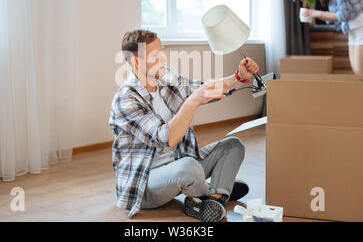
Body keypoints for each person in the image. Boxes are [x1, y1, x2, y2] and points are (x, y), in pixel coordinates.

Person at [109, 30, 260, 222]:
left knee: (233, 145)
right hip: (144, 186)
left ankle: (214, 197)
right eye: (155, 55)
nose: (163, 58)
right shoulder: (126, 100)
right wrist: (191, 102)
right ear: (136, 62)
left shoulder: (165, 80)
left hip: (176, 166)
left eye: (162, 51)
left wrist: (238, 76)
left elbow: (202, 89)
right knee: (188, 167)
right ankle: (216, 190)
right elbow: (166, 139)